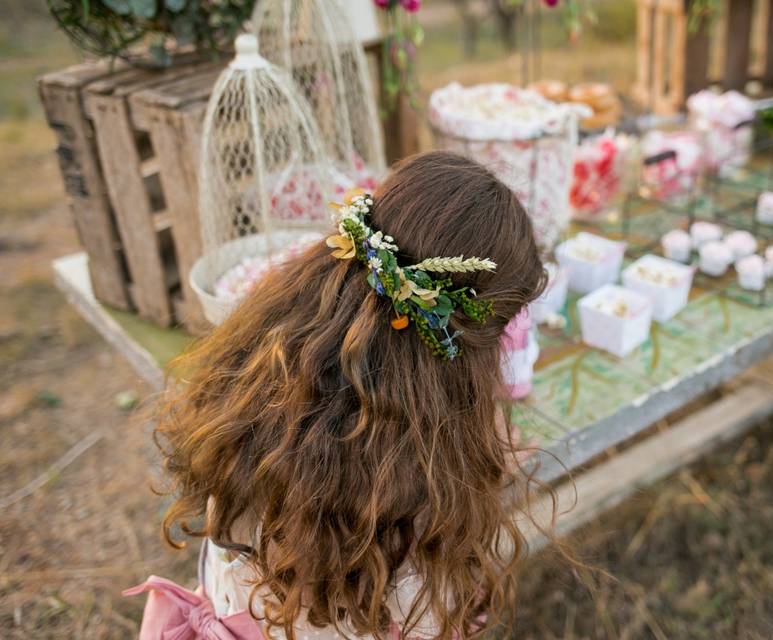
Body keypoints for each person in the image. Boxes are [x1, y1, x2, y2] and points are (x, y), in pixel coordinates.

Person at [128, 151, 548, 640]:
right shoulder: (415, 507)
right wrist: (478, 464)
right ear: (467, 356)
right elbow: (432, 621)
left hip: (237, 607)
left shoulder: (263, 364)